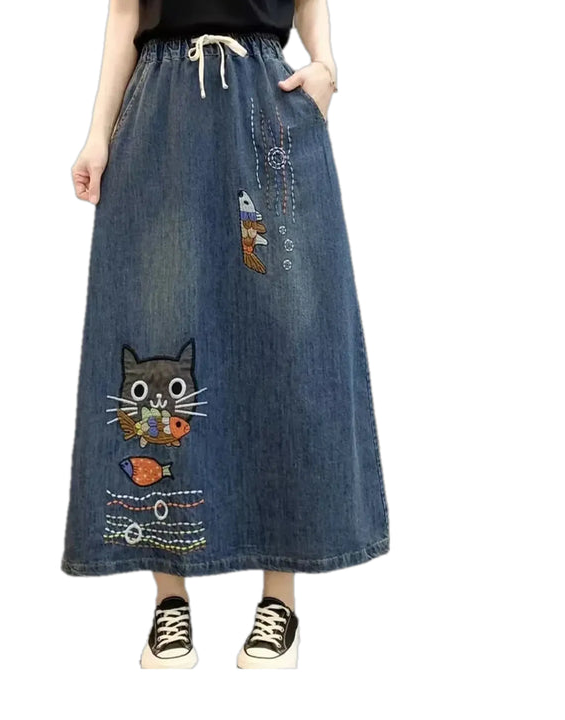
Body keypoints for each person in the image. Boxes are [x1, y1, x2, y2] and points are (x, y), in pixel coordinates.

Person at [63, 0, 390, 670]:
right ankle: (169, 600)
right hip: (159, 113)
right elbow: (125, 13)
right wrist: (97, 133)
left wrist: (326, 67)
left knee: (286, 343)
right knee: (155, 329)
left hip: (266, 104)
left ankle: (280, 601)